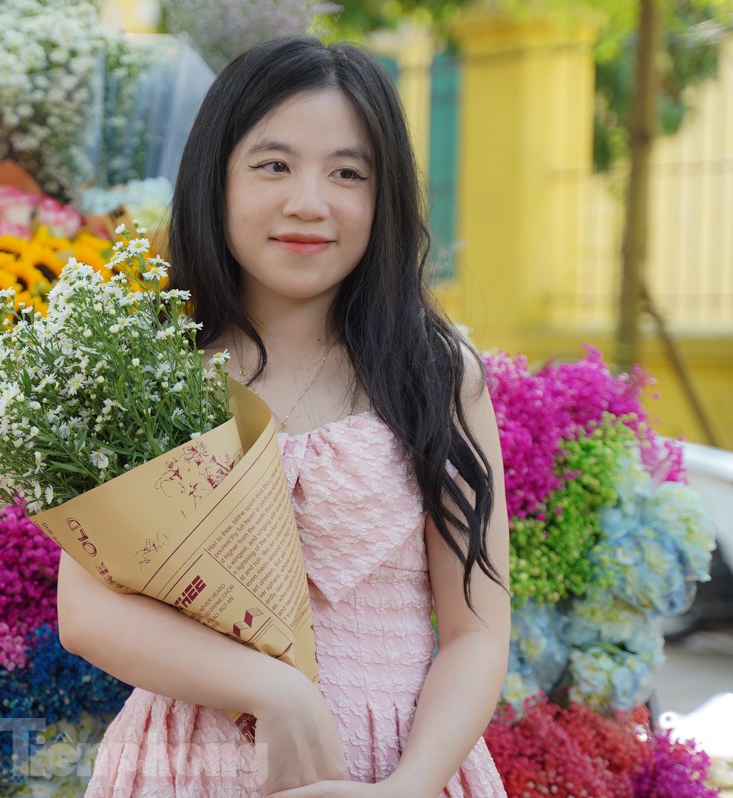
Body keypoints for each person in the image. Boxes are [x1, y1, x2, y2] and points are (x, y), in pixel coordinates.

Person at [57, 36, 511, 797]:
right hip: (187, 766)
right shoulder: (150, 370)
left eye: (347, 172)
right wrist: (274, 689)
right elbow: (88, 612)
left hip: (400, 765)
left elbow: (476, 633)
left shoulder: (435, 374)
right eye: (274, 165)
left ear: (384, 195)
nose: (310, 201)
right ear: (216, 179)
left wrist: (407, 788)